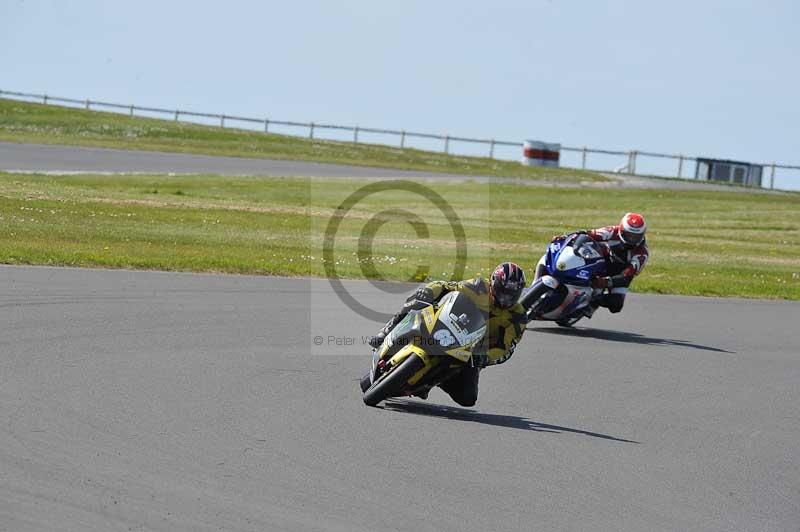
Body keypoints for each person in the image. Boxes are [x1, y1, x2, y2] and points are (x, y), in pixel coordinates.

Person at [368, 262, 528, 407]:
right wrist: (428, 292)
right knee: (416, 302)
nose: (506, 297)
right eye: (503, 291)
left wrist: (485, 357)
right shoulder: (478, 286)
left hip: (472, 350)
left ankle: (434, 381)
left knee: (467, 399)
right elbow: (446, 286)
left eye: (512, 294)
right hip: (448, 324)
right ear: (493, 283)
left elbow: (506, 348)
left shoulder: (518, 317)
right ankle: (387, 331)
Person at [536, 212, 649, 316]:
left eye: (635, 237)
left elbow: (626, 276)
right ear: (621, 230)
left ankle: (590, 303)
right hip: (600, 260)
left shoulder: (642, 253)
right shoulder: (612, 231)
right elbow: (586, 233)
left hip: (618, 274)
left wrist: (607, 282)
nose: (632, 239)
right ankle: (539, 281)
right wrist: (565, 237)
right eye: (629, 235)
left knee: (616, 305)